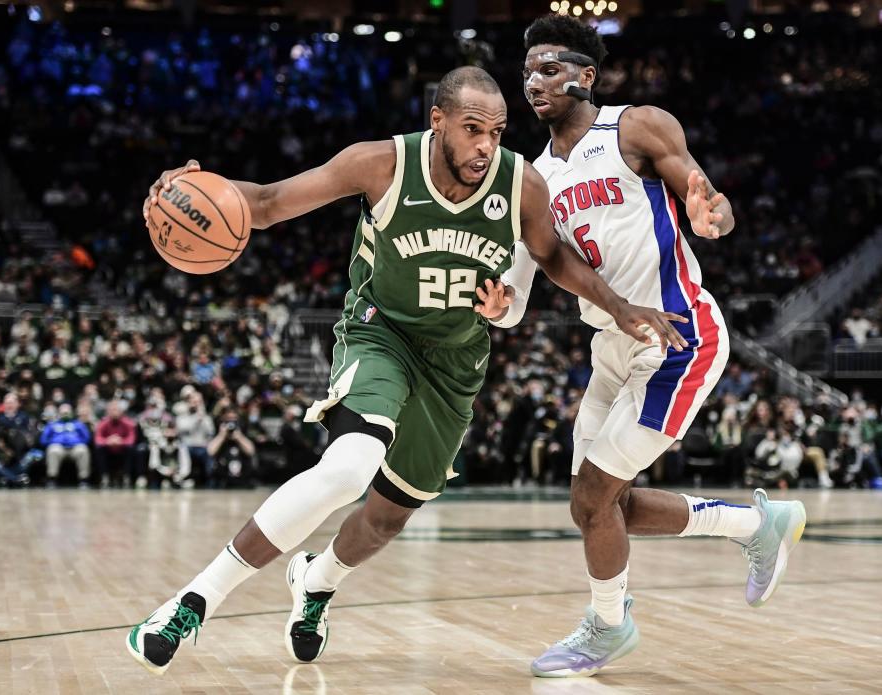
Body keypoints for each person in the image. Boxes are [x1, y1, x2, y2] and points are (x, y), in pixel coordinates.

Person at [127, 66, 687, 676]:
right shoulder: (380, 164)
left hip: (455, 362)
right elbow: (261, 204)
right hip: (381, 332)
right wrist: (193, 187)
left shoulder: (521, 184)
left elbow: (552, 256)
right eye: (473, 130)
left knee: (388, 517)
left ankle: (315, 582)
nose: (485, 147)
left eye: (496, 133)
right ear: (437, 121)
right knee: (347, 470)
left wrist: (618, 306)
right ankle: (189, 604)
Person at [496, 15, 807, 677]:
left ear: (586, 74)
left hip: (678, 337)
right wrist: (501, 301)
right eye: (527, 72)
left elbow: (708, 198)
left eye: (549, 68)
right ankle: (756, 526)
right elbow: (535, 270)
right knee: (602, 506)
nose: (534, 82)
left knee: (591, 496)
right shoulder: (536, 175)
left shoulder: (635, 126)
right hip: (611, 345)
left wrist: (710, 215)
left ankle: (608, 625)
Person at [40, 403, 91, 487]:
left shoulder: (78, 424)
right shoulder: (52, 424)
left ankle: (84, 479)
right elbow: (43, 439)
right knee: (53, 450)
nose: (65, 414)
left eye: (67, 412)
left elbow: (86, 438)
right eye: (63, 412)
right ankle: (52, 478)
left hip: (75, 448)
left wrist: (76, 441)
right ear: (59, 413)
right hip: (58, 447)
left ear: (71, 413)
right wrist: (55, 441)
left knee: (83, 449)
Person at [94, 399, 137, 487]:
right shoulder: (102, 423)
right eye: (112, 410)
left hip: (122, 449)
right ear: (108, 411)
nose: (114, 412)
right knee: (99, 449)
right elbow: (97, 439)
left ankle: (126, 476)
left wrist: (120, 441)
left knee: (131, 449)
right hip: (108, 449)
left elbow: (131, 439)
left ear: (121, 411)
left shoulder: (128, 423)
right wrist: (108, 441)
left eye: (116, 410)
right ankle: (104, 477)